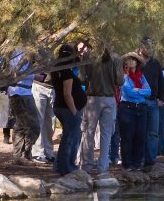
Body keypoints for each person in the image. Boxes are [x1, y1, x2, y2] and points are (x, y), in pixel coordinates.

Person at [81, 40, 121, 173]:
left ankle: (87, 165)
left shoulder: (88, 56)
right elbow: (120, 81)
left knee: (89, 132)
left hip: (92, 98)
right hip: (109, 98)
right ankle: (103, 166)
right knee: (106, 134)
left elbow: (82, 77)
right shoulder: (116, 58)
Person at [51, 44, 88, 175]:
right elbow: (67, 94)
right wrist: (74, 111)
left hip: (59, 106)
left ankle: (60, 165)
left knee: (68, 136)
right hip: (67, 108)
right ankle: (67, 167)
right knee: (71, 138)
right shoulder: (66, 72)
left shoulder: (56, 69)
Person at [137, 37, 164, 165]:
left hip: (153, 102)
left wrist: (161, 99)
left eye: (151, 47)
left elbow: (161, 82)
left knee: (153, 133)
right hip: (139, 102)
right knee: (140, 131)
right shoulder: (136, 63)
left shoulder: (156, 64)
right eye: (147, 47)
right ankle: (140, 159)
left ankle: (151, 160)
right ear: (141, 48)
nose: (150, 50)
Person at [117, 52, 151, 170]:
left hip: (141, 108)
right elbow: (128, 92)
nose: (131, 61)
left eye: (133, 60)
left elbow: (149, 91)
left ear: (137, 62)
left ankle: (137, 163)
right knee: (127, 137)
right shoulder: (124, 76)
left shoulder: (141, 76)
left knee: (140, 136)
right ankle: (127, 164)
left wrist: (137, 90)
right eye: (129, 60)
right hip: (127, 108)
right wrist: (140, 91)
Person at [6, 50, 40, 163]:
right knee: (31, 125)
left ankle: (22, 155)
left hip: (24, 91)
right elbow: (17, 72)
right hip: (20, 92)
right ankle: (22, 154)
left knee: (22, 125)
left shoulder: (26, 51)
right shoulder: (18, 51)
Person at [30, 70, 56, 164]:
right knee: (38, 120)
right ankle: (37, 153)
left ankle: (48, 152)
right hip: (39, 86)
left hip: (54, 88)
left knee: (51, 122)